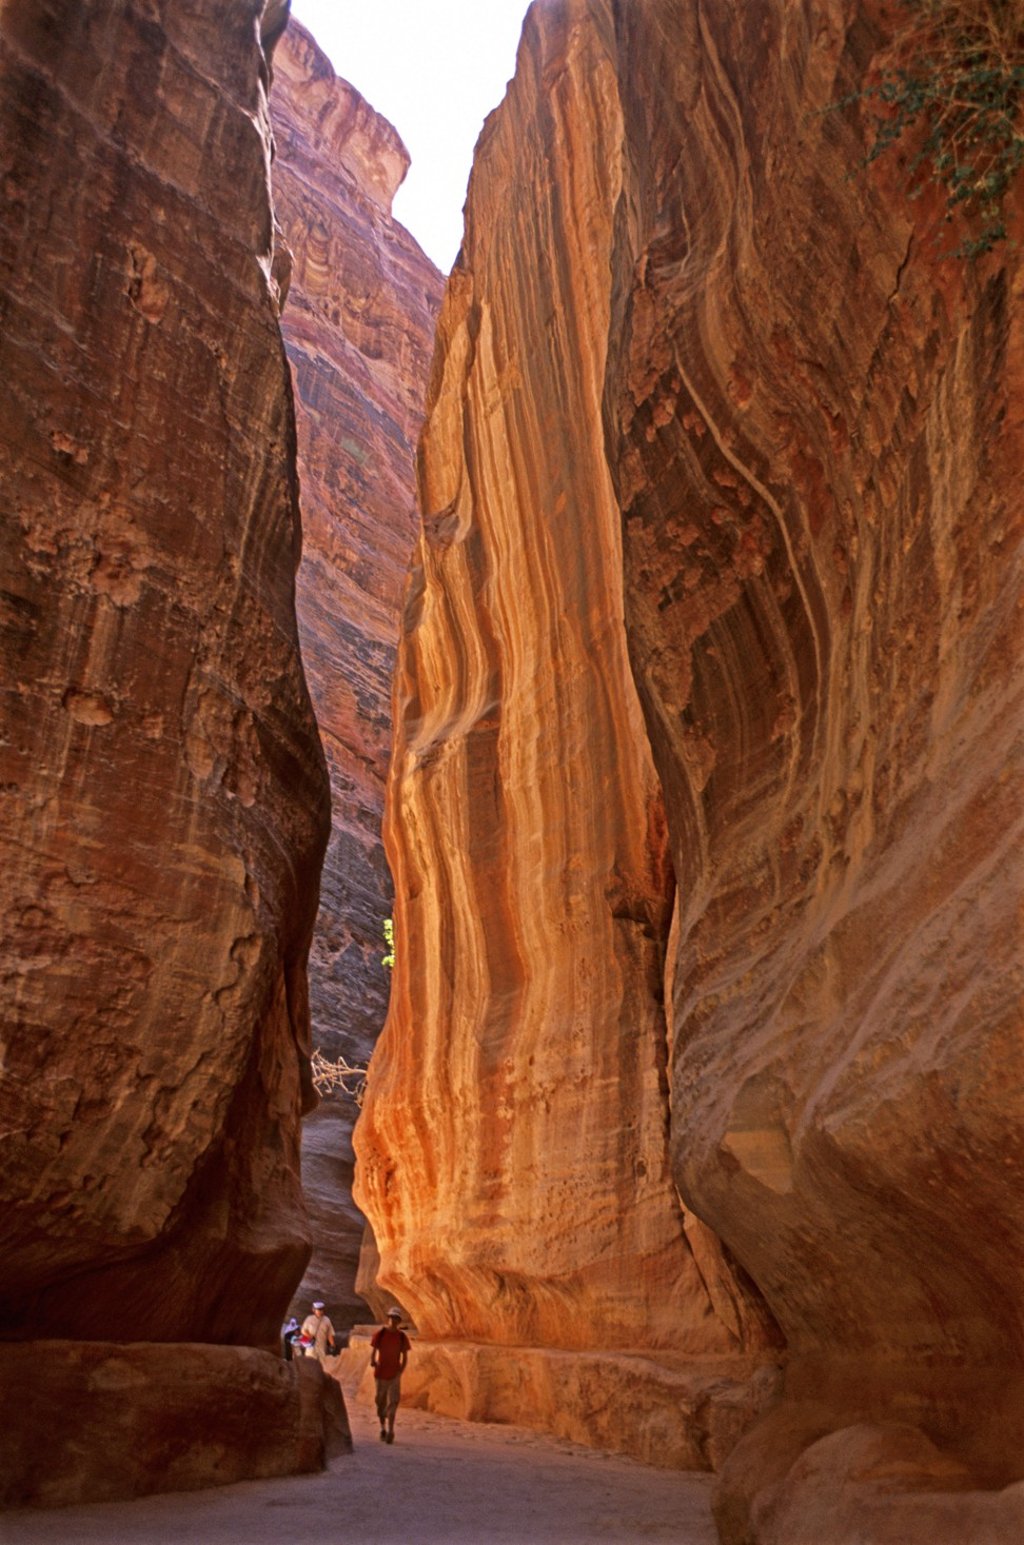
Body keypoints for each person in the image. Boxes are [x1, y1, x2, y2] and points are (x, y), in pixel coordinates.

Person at [370, 1307, 410, 1443]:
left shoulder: (402, 1337)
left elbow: (404, 1356)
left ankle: (391, 1431)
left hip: (394, 1375)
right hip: (380, 1374)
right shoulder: (380, 1334)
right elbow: (374, 1350)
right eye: (391, 1317)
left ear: (399, 1321)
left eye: (395, 1318)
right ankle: (383, 1427)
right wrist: (373, 1361)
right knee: (380, 1402)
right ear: (388, 1318)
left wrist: (401, 1371)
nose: (392, 1320)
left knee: (393, 1402)